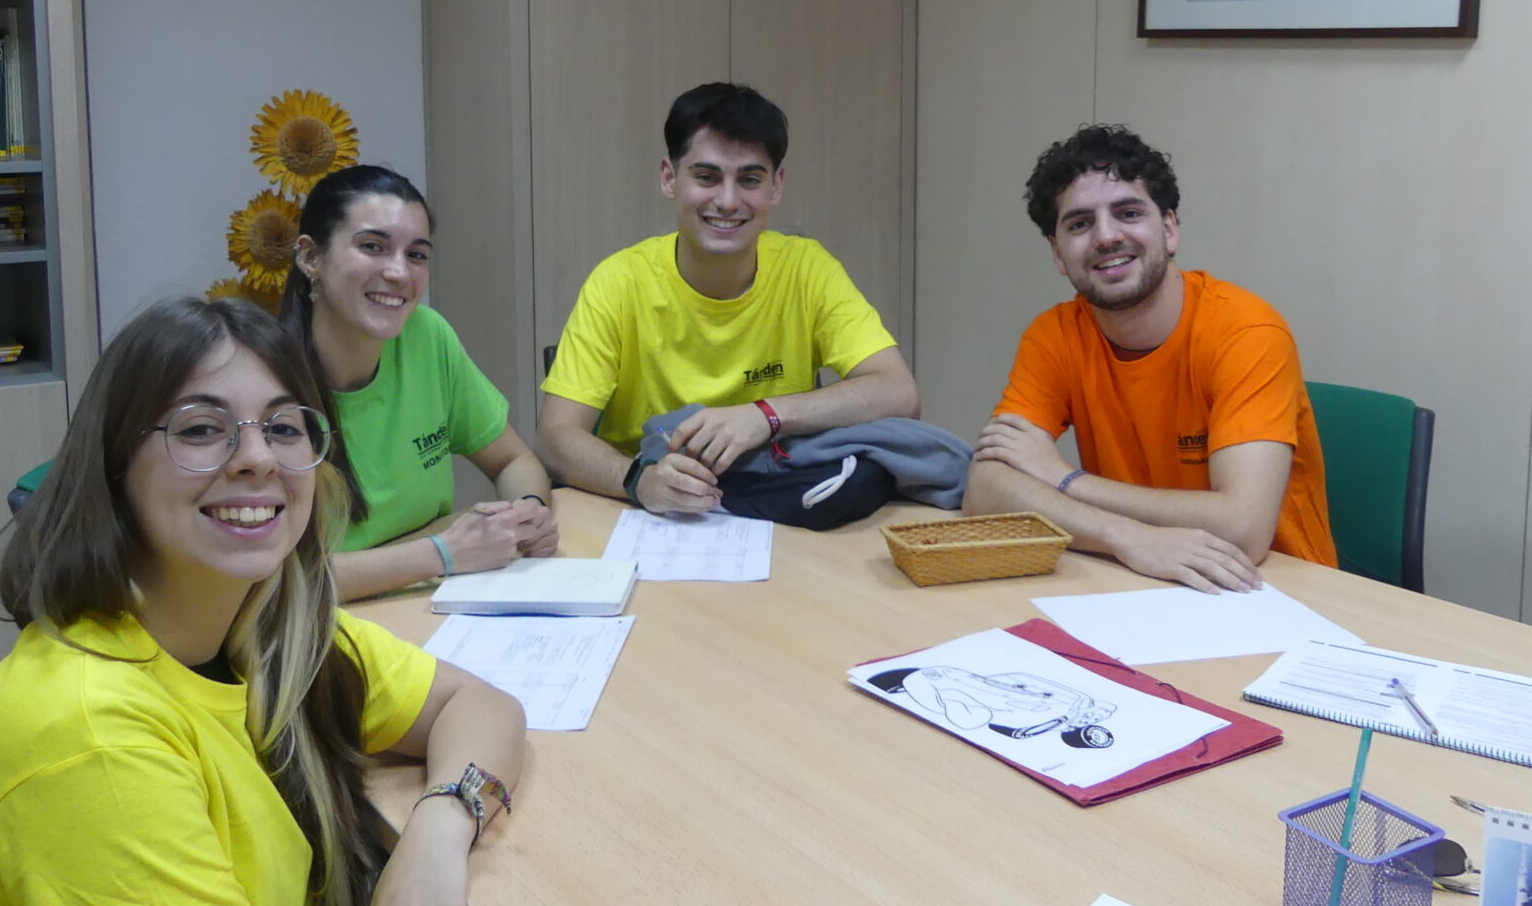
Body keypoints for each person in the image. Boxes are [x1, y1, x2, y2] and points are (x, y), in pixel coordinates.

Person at [0, 296, 527, 906]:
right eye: (202, 430)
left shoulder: (268, 625)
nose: (257, 457)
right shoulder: (88, 732)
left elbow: (482, 706)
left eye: (285, 427)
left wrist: (440, 829)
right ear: (114, 467)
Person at [965, 124, 1336, 592]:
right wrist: (1127, 537)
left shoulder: (1246, 331)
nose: (1105, 237)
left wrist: (1065, 480)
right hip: (1139, 581)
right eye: (1079, 224)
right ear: (1058, 255)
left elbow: (1243, 529)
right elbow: (985, 489)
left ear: (1169, 229)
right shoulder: (1054, 335)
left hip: (1273, 592)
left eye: (1127, 212)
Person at [535, 82, 919, 515]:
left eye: (750, 179)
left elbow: (898, 392)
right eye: (707, 177)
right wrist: (638, 480)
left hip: (776, 507)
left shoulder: (808, 269)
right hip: (645, 513)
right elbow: (555, 437)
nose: (728, 201)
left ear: (776, 186)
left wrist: (764, 415)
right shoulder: (618, 281)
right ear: (669, 178)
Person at [282, 166, 557, 603]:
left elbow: (513, 460)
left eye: (417, 254)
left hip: (425, 604)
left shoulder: (426, 335)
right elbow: (275, 582)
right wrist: (441, 554)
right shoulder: (266, 380)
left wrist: (529, 512)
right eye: (373, 247)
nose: (398, 273)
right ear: (310, 257)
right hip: (323, 629)